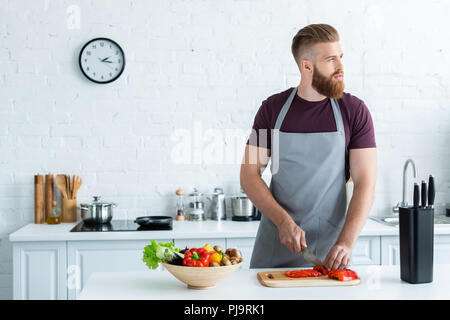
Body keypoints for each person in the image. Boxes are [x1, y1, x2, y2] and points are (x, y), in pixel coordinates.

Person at [241, 24, 377, 270]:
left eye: (341, 58)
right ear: (306, 66)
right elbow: (249, 175)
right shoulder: (271, 110)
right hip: (275, 248)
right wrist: (283, 222)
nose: (340, 67)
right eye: (330, 59)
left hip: (331, 254)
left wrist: (346, 243)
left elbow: (365, 182)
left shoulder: (355, 111)